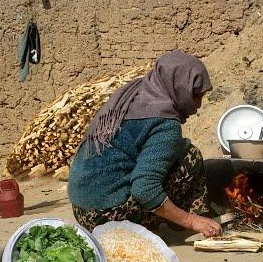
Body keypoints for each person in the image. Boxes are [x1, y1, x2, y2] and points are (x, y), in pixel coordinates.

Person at [68, 51, 222, 238]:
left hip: (81, 210)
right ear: (178, 87)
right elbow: (144, 189)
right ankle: (194, 220)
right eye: (196, 96)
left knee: (176, 151)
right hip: (107, 218)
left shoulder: (133, 94)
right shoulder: (164, 122)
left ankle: (174, 217)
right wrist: (190, 220)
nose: (197, 106)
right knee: (190, 156)